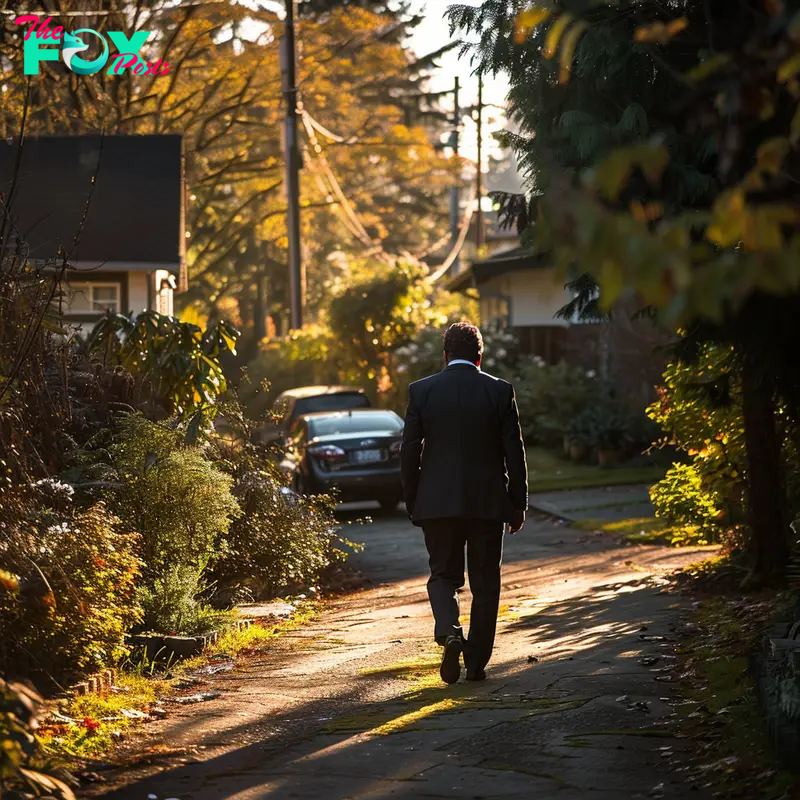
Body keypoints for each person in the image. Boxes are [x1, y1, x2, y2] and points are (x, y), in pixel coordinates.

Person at [401, 321, 528, 685]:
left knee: (443, 575)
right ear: (479, 356)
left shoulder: (422, 392)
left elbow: (409, 452)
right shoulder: (499, 391)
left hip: (437, 504)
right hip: (488, 503)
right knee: (486, 583)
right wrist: (517, 504)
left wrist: (414, 500)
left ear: (445, 355)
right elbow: (513, 453)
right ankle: (475, 663)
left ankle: (449, 630)